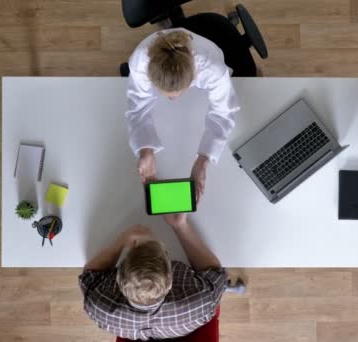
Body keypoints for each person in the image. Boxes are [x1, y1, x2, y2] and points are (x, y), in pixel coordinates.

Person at [125, 28, 240, 202]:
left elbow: (223, 112)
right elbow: (138, 106)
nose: (171, 99)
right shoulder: (140, 61)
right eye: (164, 93)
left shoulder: (212, 67)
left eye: (176, 93)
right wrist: (145, 150)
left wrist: (203, 160)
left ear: (194, 77)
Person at [79, 213, 227, 341]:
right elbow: (215, 272)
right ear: (171, 282)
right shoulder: (203, 302)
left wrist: (123, 239)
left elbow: (90, 274)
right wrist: (180, 225)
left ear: (118, 277)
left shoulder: (99, 308)